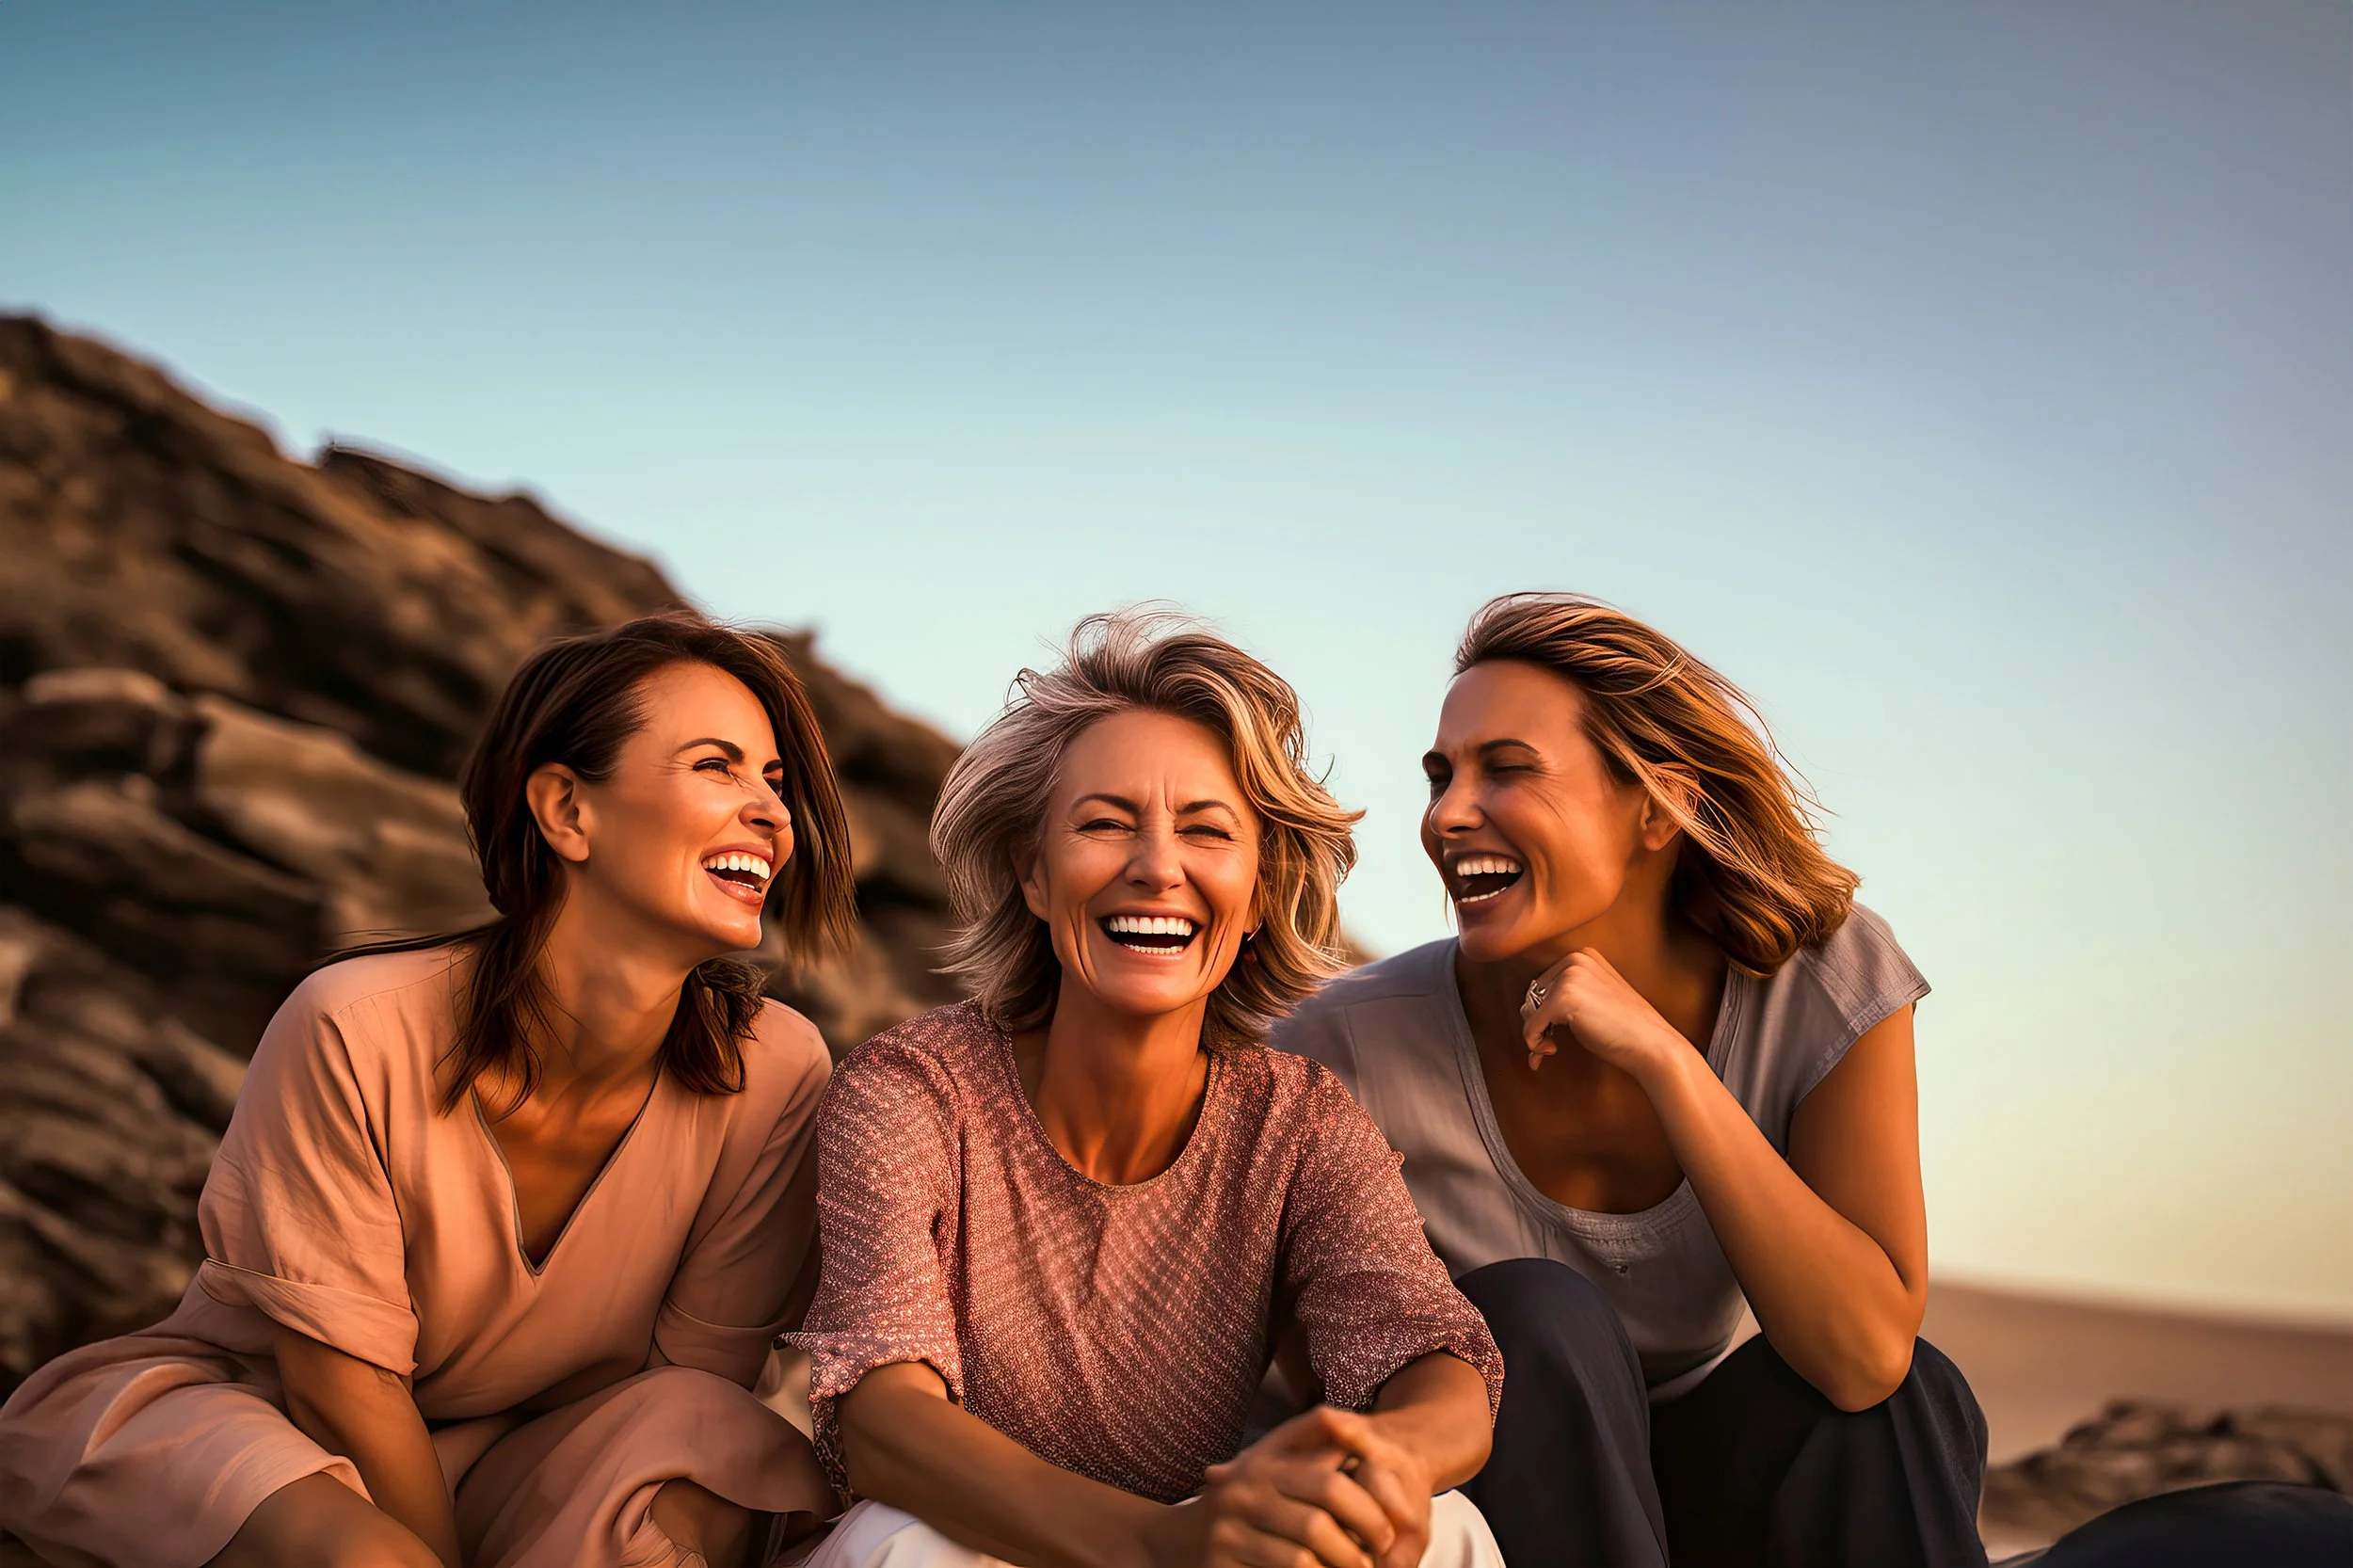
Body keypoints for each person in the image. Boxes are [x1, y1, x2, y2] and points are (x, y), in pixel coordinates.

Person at [0, 614, 856, 1568]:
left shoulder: (776, 1074)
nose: (773, 814)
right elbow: (340, 1391)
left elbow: (685, 1394)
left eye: (774, 782)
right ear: (567, 809)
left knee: (703, 1453)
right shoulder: (355, 1027)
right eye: (716, 766)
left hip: (510, 1454)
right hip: (254, 1423)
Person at [1272, 592, 1989, 1568]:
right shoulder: (1341, 1046)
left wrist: (1665, 1061)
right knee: (1528, 1315)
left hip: (1705, 1486)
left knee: (1895, 1400)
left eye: (1507, 769)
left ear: (1658, 807)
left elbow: (1864, 1357)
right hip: (1494, 1499)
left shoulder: (1823, 979)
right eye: (1441, 775)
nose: (1447, 814)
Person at [789, 613, 1506, 1568]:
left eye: (1206, 831)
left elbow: (1433, 1361)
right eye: (1104, 823)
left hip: (1198, 1547)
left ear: (1254, 894)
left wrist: (1376, 1460)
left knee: (1444, 1525)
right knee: (900, 1546)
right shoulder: (913, 1090)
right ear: (1033, 872)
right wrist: (1157, 1543)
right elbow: (881, 1416)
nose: (1157, 867)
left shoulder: (1297, 1123)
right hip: (1000, 1546)